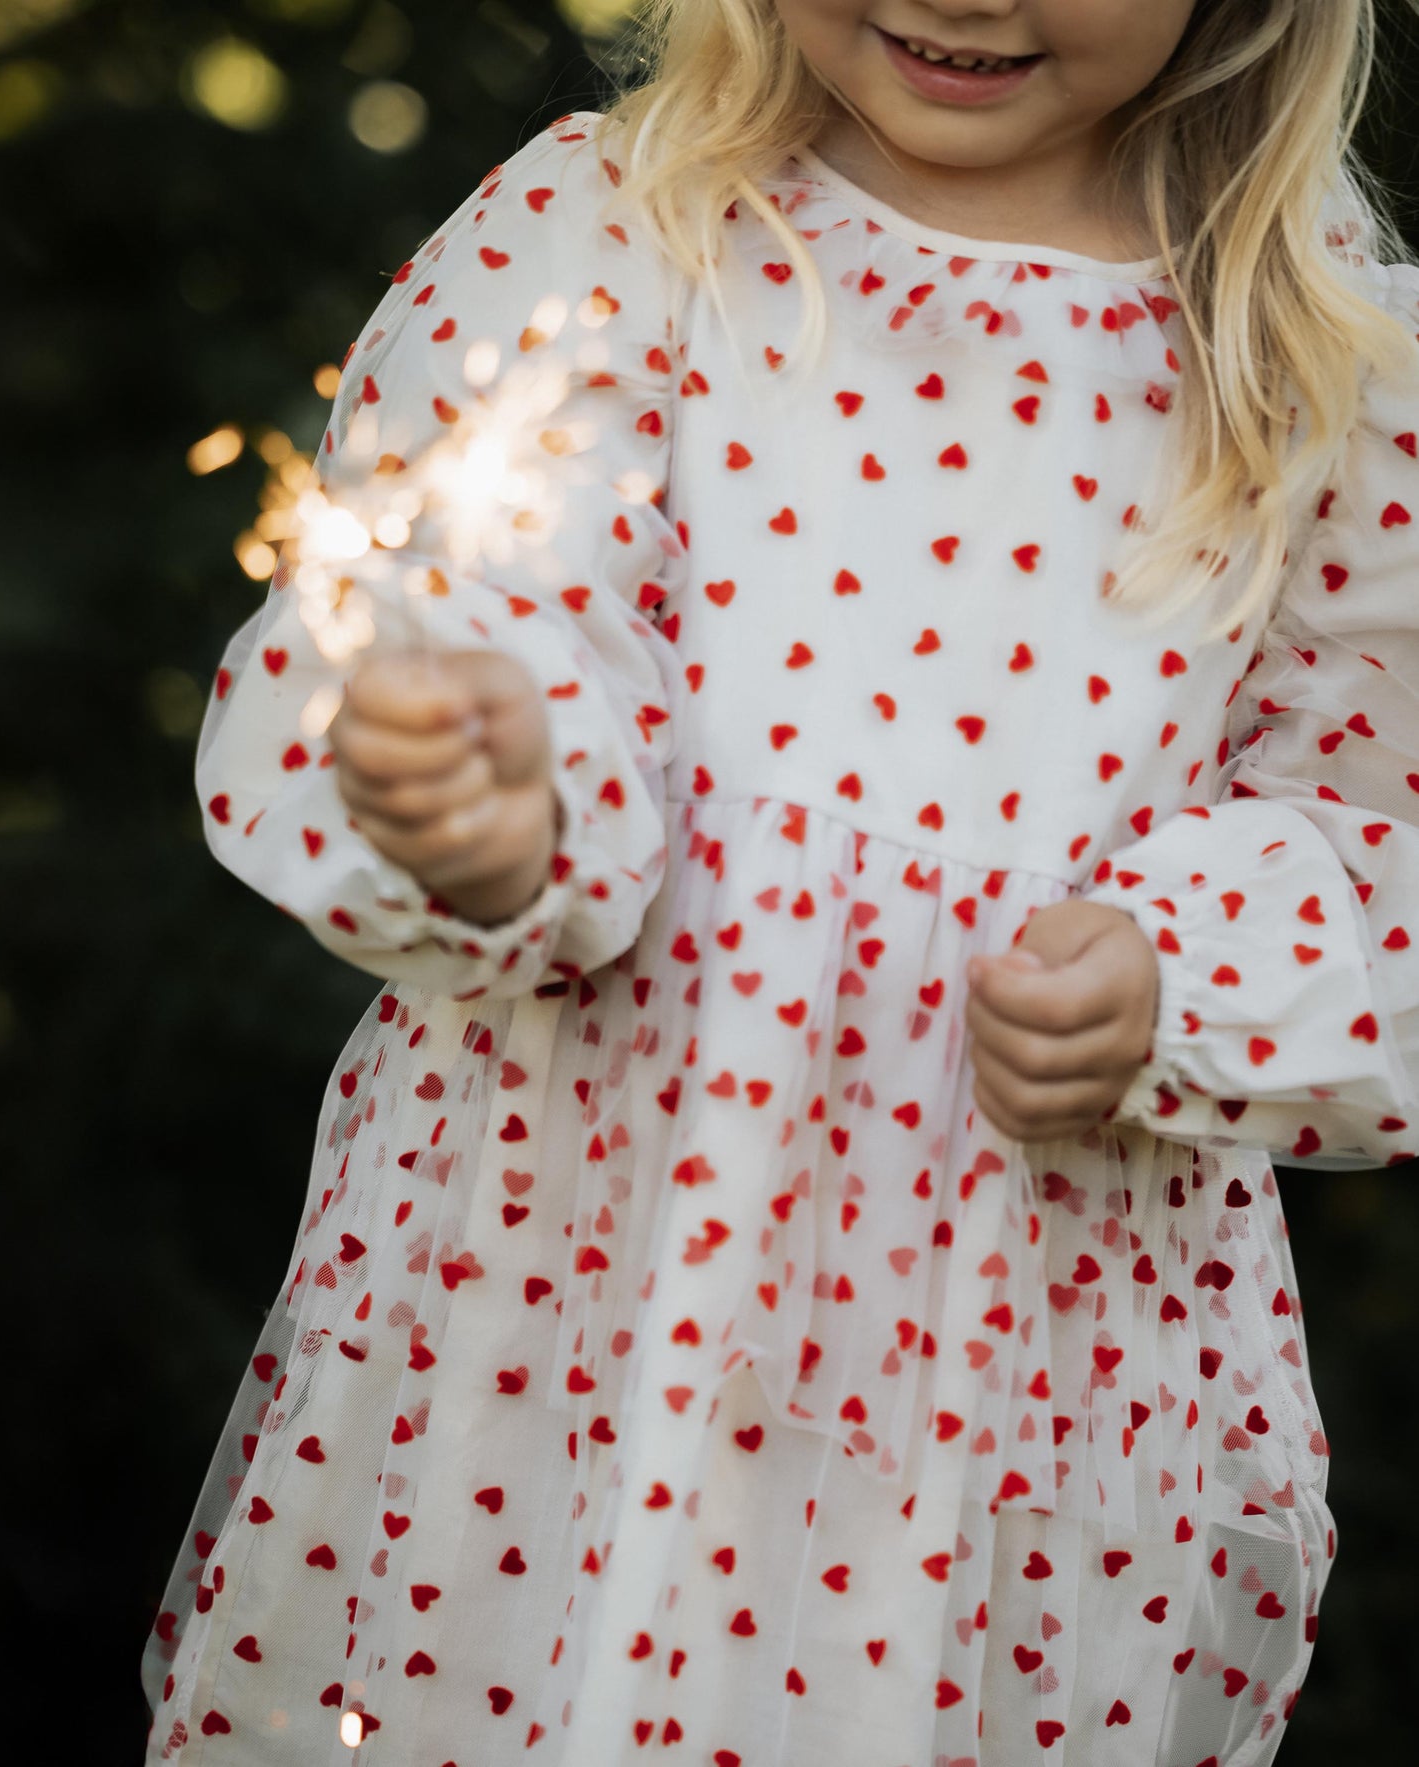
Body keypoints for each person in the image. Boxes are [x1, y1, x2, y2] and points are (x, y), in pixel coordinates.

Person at [142, 2, 1418, 1762]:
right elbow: (479, 607)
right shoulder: (616, 227)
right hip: (559, 1321)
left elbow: (1374, 825)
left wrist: (1177, 975)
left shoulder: (1319, 351)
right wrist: (489, 817)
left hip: (1014, 1378)